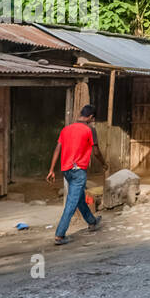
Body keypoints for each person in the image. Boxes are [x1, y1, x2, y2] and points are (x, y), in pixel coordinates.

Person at [46, 104, 104, 246]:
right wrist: (104, 163)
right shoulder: (90, 130)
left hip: (66, 170)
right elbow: (96, 152)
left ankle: (92, 222)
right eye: (93, 118)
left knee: (78, 199)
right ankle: (60, 235)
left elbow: (57, 149)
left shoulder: (66, 129)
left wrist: (51, 169)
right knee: (72, 202)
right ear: (90, 117)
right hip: (78, 171)